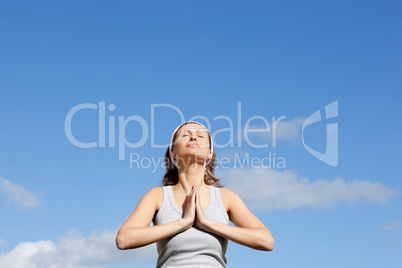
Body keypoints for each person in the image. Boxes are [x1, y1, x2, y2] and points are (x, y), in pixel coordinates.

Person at [116, 121, 274, 267]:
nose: (193, 137)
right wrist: (183, 223)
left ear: (210, 152)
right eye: (185, 135)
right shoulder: (157, 196)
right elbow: (124, 239)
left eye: (200, 136)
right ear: (173, 152)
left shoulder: (226, 198)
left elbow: (266, 241)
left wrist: (208, 224)